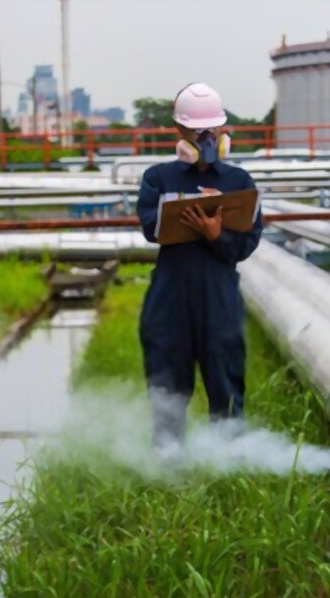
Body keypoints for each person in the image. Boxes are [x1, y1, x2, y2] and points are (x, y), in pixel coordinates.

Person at [135, 82, 263, 451]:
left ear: (223, 131)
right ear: (180, 132)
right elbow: (151, 229)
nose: (206, 137)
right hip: (170, 298)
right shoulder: (158, 178)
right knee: (167, 383)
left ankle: (227, 462)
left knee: (225, 379)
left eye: (213, 130)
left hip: (218, 296)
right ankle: (167, 462)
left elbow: (246, 244)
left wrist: (215, 234)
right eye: (197, 131)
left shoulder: (239, 183)